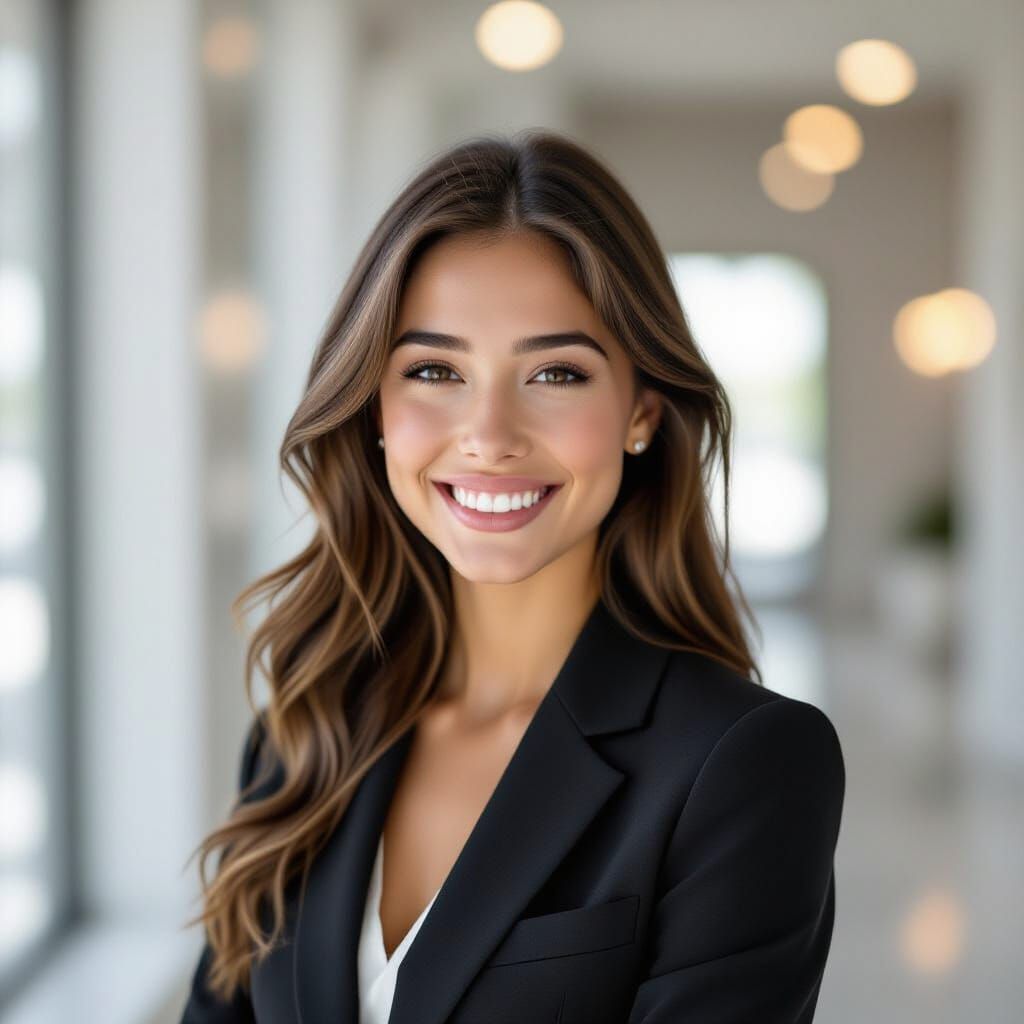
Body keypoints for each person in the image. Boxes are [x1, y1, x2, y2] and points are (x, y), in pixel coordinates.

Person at [178, 129, 845, 1024]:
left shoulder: (743, 766)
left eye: (556, 372)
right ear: (375, 409)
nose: (489, 433)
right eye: (436, 370)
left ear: (641, 412)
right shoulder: (305, 731)